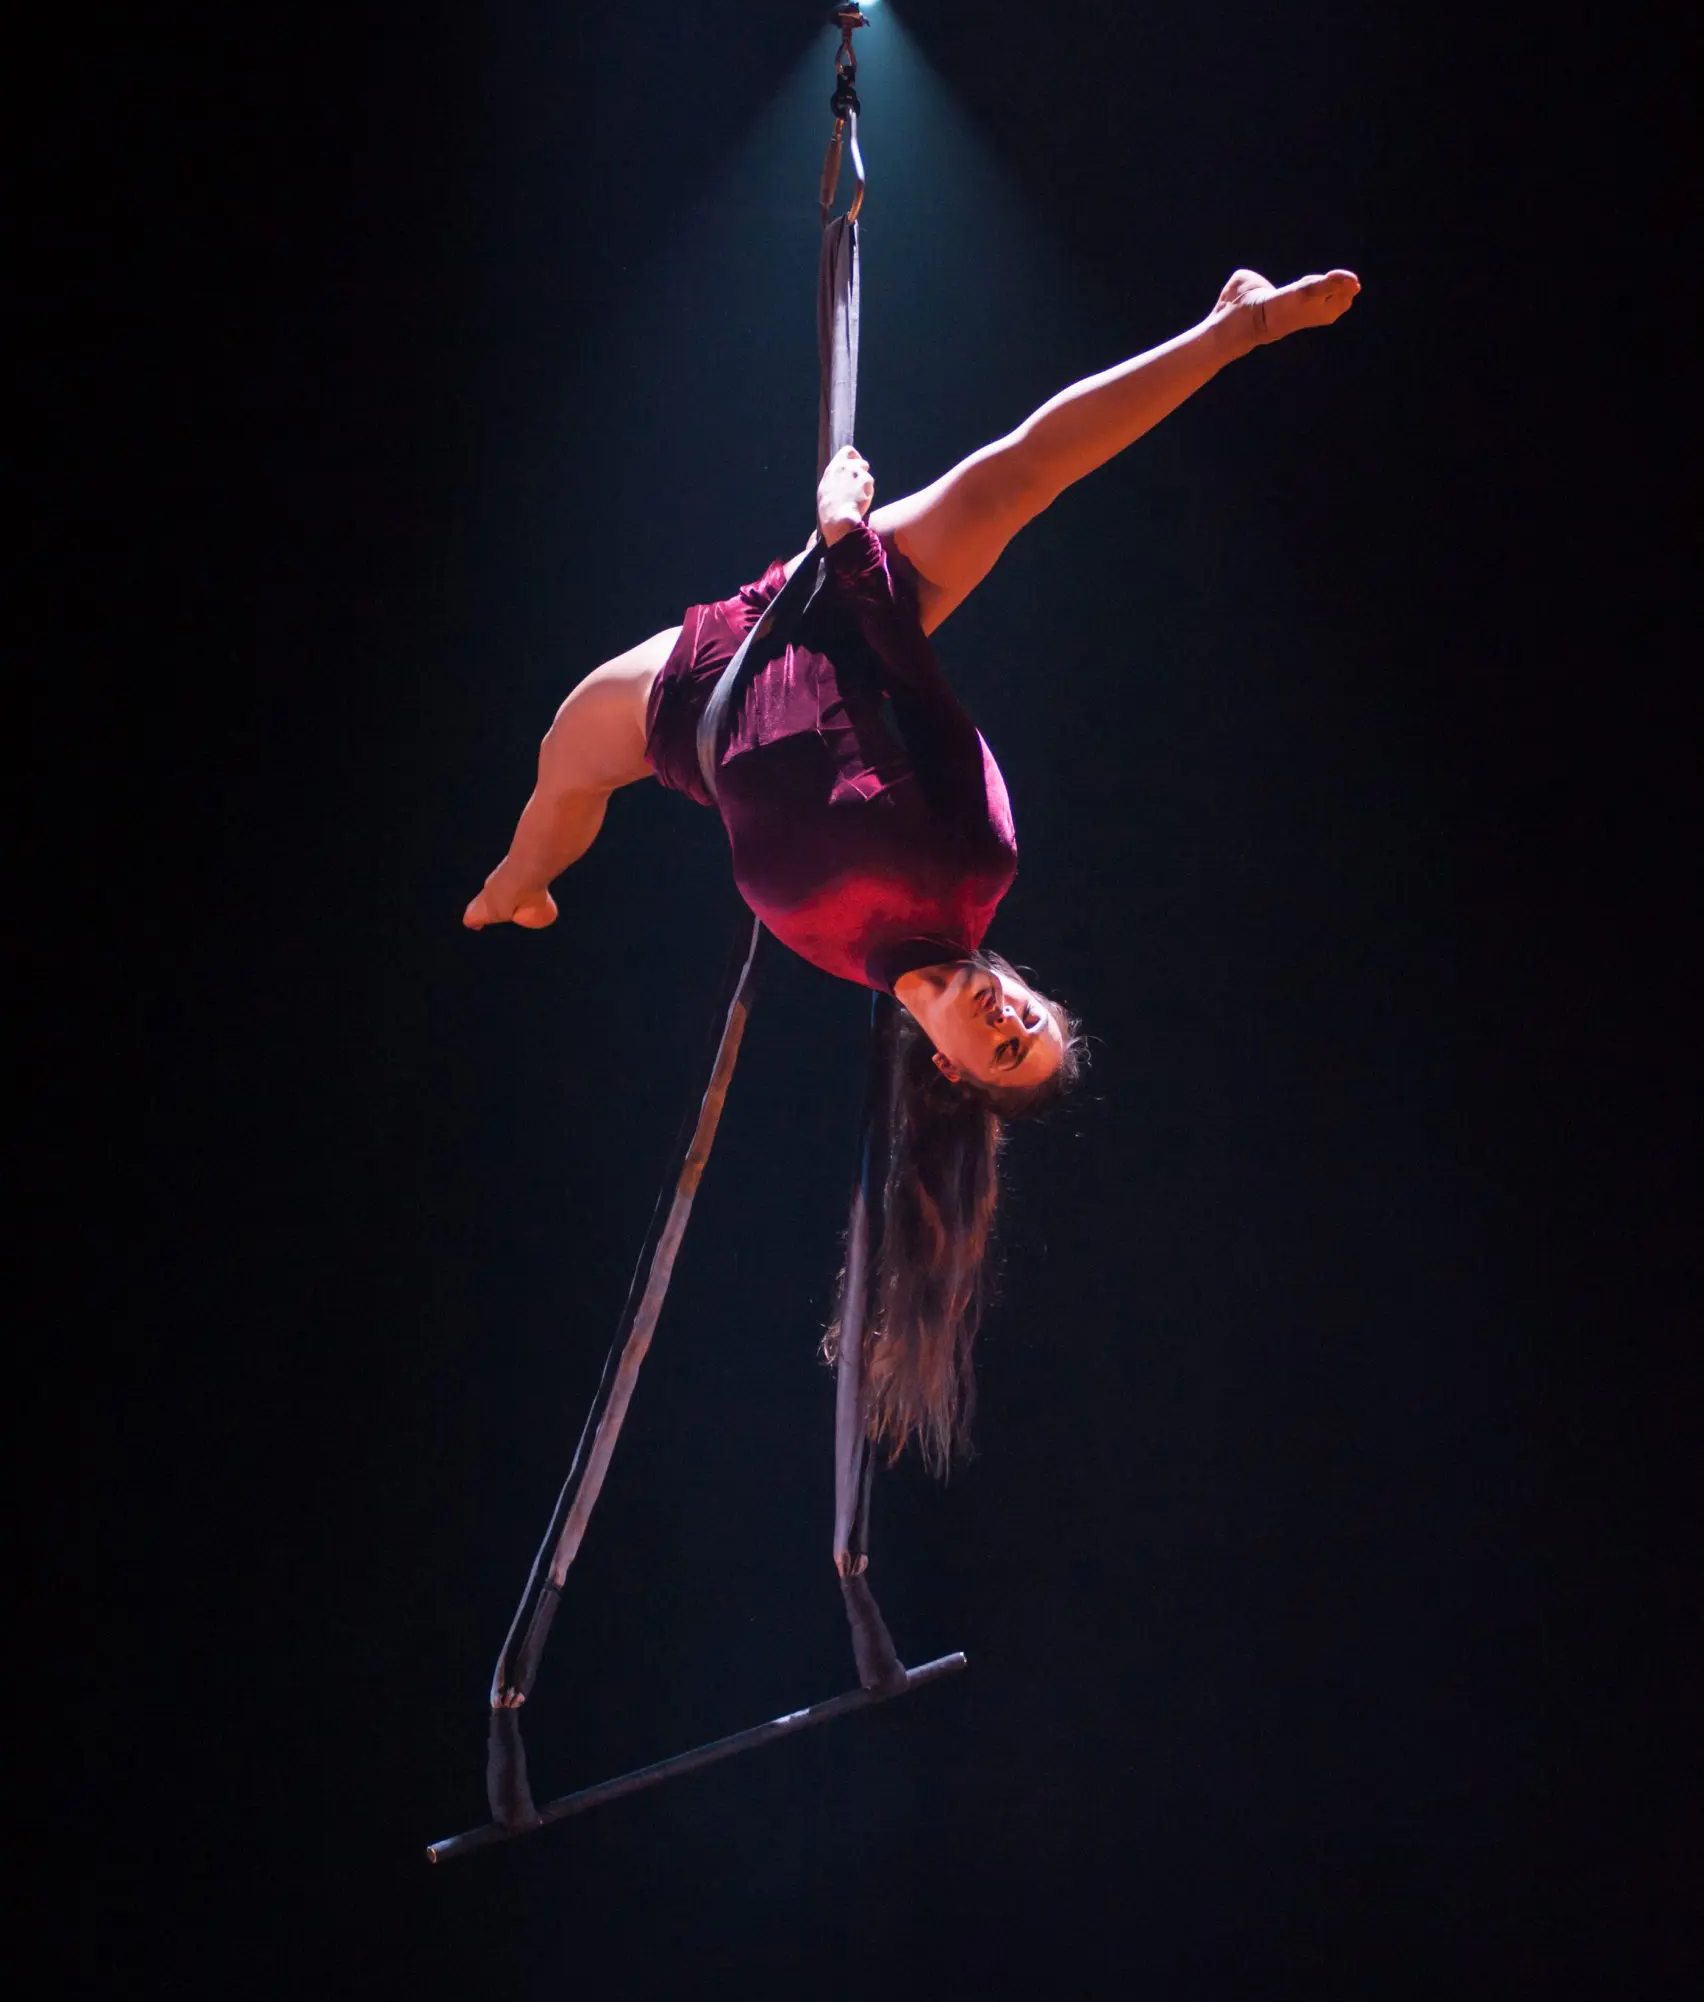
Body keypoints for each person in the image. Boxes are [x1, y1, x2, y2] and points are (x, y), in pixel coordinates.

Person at [466, 265, 1360, 1463]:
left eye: (1006, 1048)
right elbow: (919, 695)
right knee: (1013, 478)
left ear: (951, 1073)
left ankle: (515, 887)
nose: (1009, 1015)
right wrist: (848, 547)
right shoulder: (977, 862)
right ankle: (1230, 331)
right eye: (1033, 1014)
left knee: (562, 768)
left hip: (698, 707)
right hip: (848, 615)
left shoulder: (844, 962)